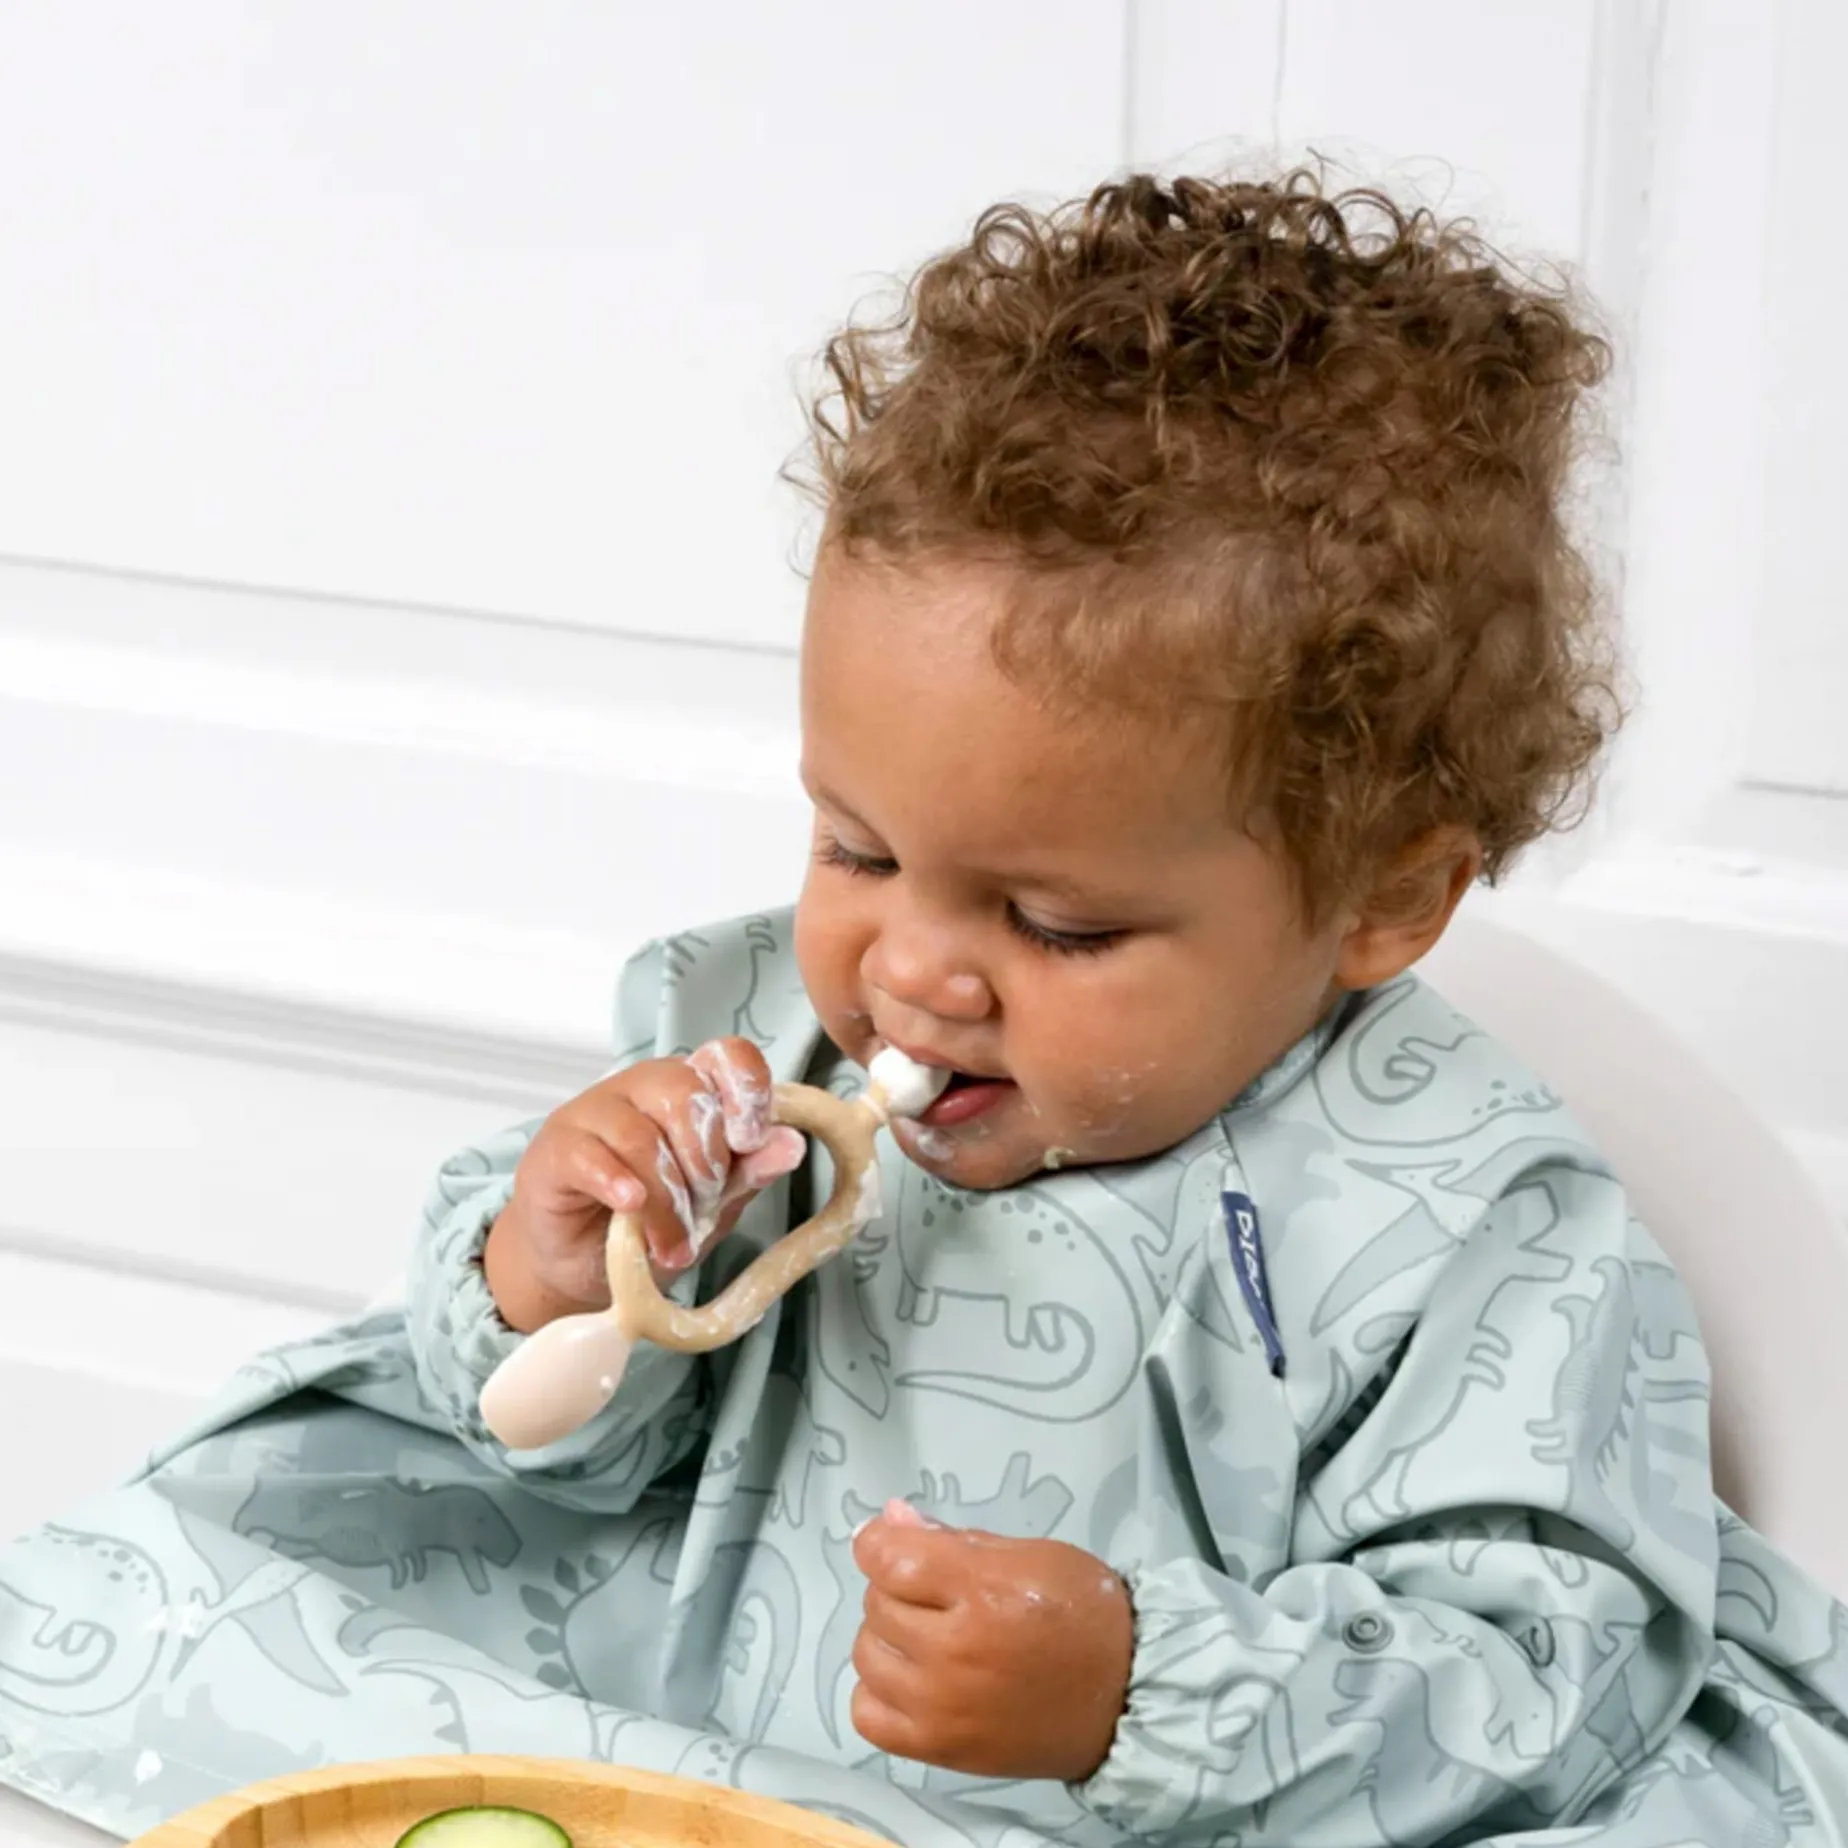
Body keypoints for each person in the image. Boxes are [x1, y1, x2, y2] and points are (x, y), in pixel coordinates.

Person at [2, 170, 1844, 1848]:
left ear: (1380, 901)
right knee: (200, 1599)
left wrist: (1137, 1691)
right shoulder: (779, 1053)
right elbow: (572, 1442)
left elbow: (1544, 1671)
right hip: (711, 1711)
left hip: (1166, 1807)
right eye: (857, 848)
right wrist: (563, 1278)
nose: (911, 973)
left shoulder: (1463, 1224)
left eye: (1052, 923)